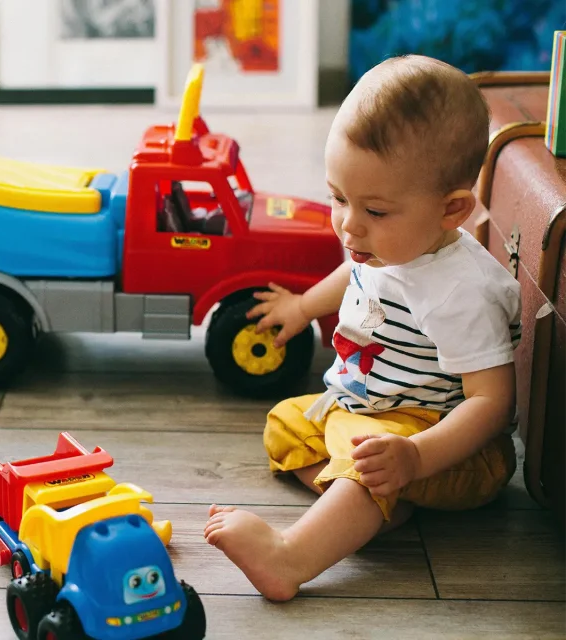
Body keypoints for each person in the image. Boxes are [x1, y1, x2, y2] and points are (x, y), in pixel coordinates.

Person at [203, 54, 522, 602]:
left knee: (368, 464)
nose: (349, 224)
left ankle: (292, 557)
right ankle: (376, 507)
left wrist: (416, 457)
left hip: (447, 446)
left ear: (452, 210)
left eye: (374, 210)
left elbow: (493, 405)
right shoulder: (386, 243)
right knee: (284, 425)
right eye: (338, 197)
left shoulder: (460, 291)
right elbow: (352, 270)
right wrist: (303, 307)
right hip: (365, 413)